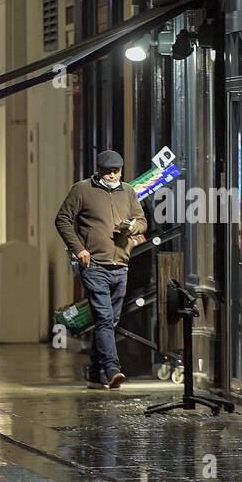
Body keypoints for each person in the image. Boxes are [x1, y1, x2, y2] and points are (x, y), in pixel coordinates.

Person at [54, 149, 148, 389]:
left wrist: (133, 227)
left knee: (110, 321)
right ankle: (112, 369)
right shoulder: (82, 190)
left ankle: (95, 373)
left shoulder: (128, 192)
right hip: (94, 265)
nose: (113, 176)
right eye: (108, 172)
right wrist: (79, 249)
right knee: (105, 319)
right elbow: (63, 219)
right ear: (99, 171)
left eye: (116, 171)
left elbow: (142, 220)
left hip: (121, 265)